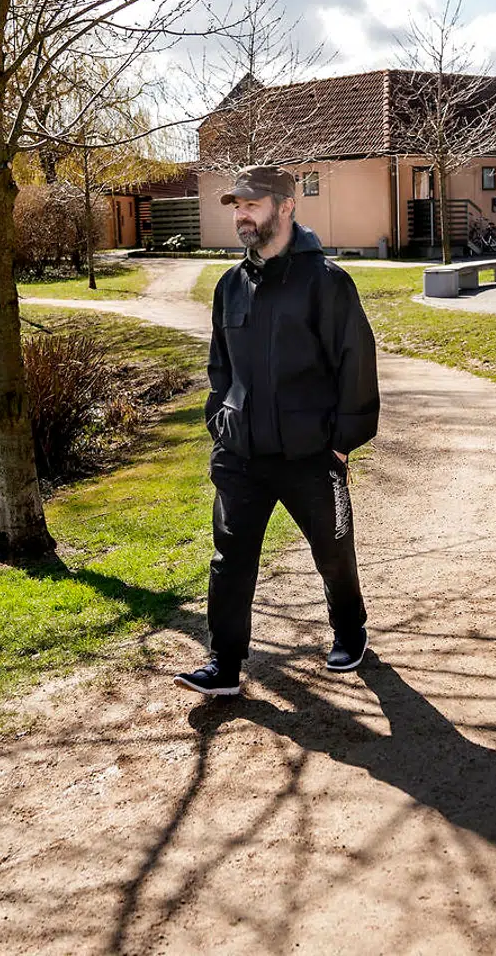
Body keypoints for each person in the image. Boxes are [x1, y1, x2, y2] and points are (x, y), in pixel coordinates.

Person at [175, 165, 379, 697]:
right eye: (236, 207)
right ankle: (224, 662)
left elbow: (355, 361)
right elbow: (219, 365)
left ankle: (349, 629)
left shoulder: (327, 282)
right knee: (231, 557)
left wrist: (340, 442)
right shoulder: (229, 286)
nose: (241, 216)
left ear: (286, 206)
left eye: (251, 205)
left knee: (333, 548)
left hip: (311, 452)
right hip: (242, 453)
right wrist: (219, 421)